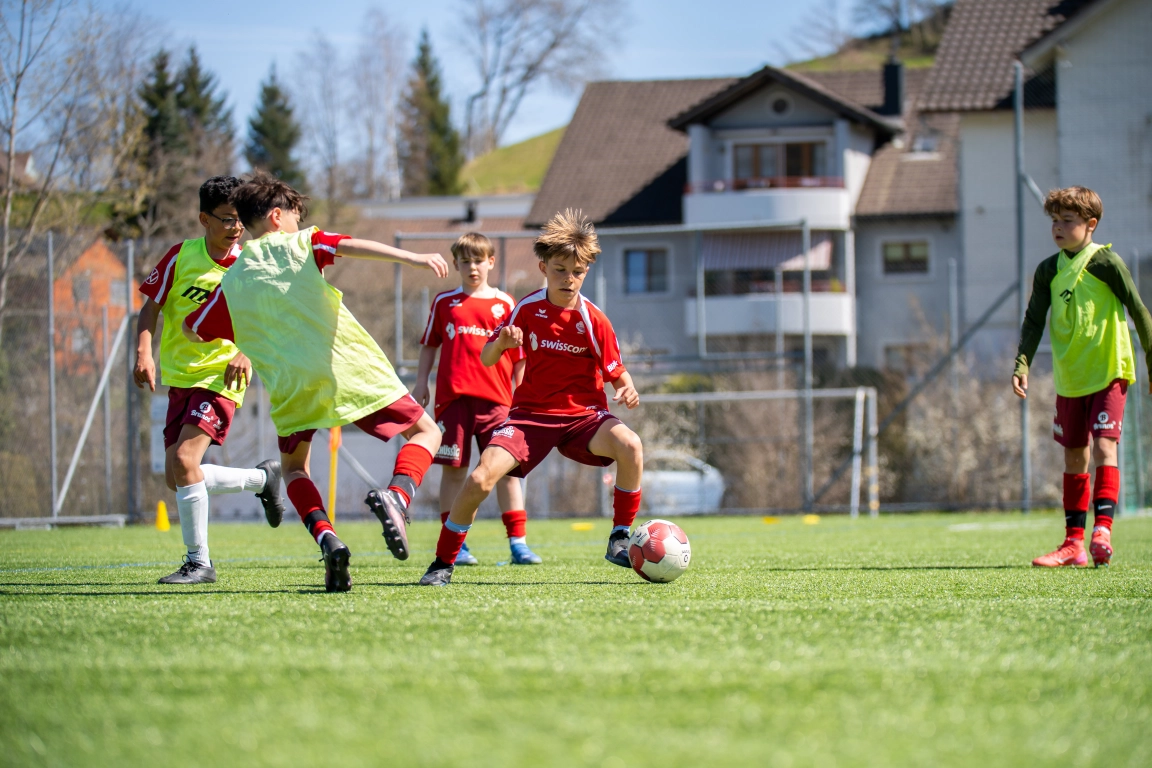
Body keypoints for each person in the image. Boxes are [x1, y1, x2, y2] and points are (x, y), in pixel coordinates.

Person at [183, 171, 449, 592]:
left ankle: (328, 540)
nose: (299, 223)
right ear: (276, 216)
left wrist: (246, 331)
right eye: (295, 216)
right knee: (426, 432)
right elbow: (351, 245)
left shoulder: (232, 279)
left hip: (292, 387)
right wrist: (413, 259)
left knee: (292, 468)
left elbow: (192, 327)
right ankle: (398, 497)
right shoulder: (303, 243)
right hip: (348, 371)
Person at [419, 209, 643, 586]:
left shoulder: (594, 320)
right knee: (479, 478)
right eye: (560, 269)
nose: (569, 278)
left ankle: (619, 536)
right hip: (530, 418)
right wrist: (502, 342)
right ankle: (443, 562)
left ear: (586, 271)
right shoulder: (525, 309)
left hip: (583, 419)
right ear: (543, 268)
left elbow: (616, 370)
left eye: (577, 271)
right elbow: (487, 357)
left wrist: (626, 386)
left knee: (631, 446)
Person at [135, 175, 285, 586]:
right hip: (180, 378)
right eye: (227, 219)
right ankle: (262, 480)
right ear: (204, 219)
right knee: (177, 475)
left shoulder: (250, 263)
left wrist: (245, 352)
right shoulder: (180, 256)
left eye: (241, 220)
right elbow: (150, 309)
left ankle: (199, 562)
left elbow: (269, 319)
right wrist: (144, 352)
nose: (236, 227)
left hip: (224, 376)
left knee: (186, 462)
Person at [1013, 186, 1152, 568]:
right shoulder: (1048, 270)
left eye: (1067, 221)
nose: (1058, 227)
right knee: (1074, 455)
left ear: (1091, 225)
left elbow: (1139, 311)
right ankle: (1073, 544)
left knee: (1105, 447)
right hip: (1071, 377)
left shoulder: (1107, 263)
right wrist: (1022, 364)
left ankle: (1102, 531)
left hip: (1109, 372)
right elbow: (1033, 321)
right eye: (1054, 221)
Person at [413, 232, 541, 566]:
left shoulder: (506, 304)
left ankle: (518, 543)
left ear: (491, 262)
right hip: (453, 401)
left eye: (479, 260)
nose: (473, 267)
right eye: (465, 261)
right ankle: (457, 545)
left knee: (505, 472)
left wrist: (521, 394)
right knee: (454, 473)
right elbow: (429, 345)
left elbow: (520, 355)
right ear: (456, 264)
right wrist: (421, 382)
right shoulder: (444, 302)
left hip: (498, 402)